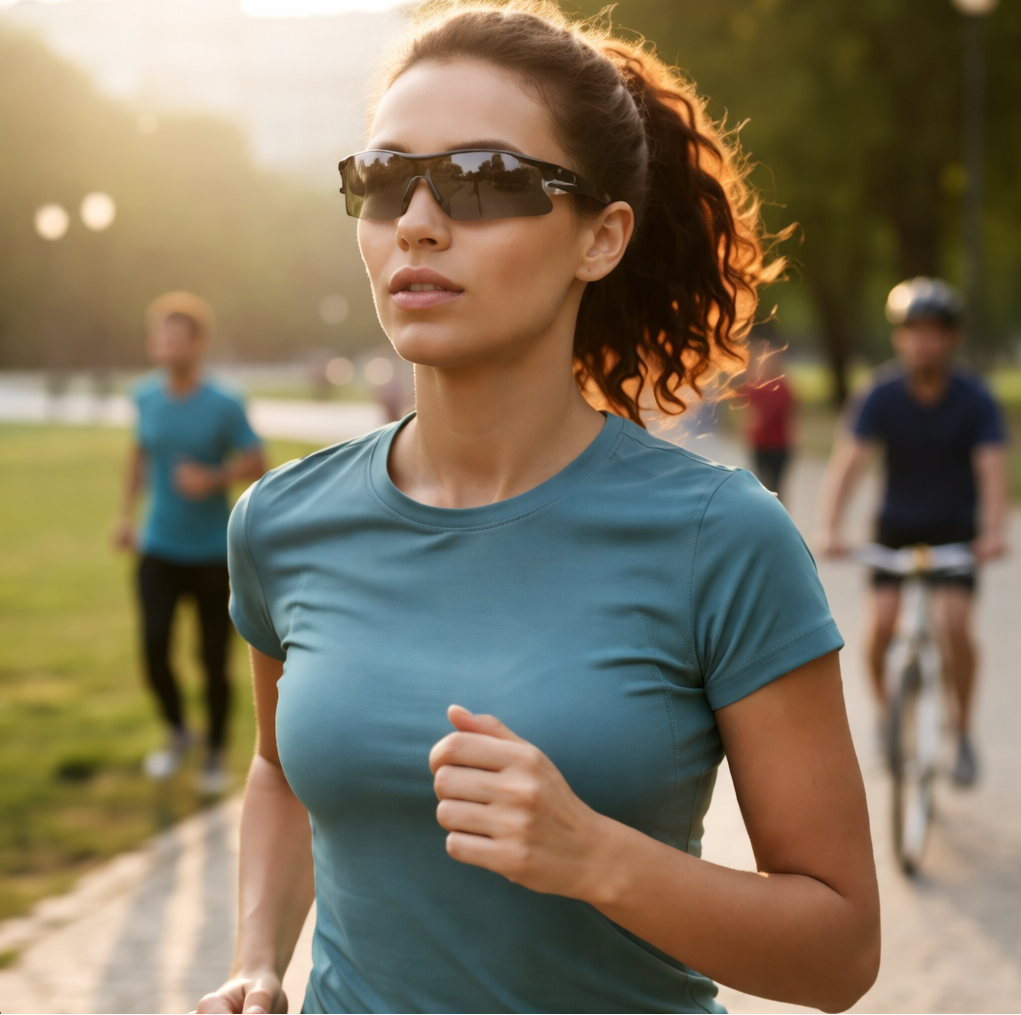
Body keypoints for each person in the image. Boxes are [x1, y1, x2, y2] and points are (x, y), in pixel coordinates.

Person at [200, 7, 879, 1013]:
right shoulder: (281, 522)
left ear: (599, 239)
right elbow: (282, 773)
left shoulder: (719, 537)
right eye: (384, 180)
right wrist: (258, 956)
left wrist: (596, 856)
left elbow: (840, 952)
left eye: (483, 179)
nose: (418, 220)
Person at [818, 277, 1008, 786]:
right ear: (900, 337)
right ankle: (889, 715)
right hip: (896, 527)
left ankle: (962, 731)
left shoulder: (975, 399)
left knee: (953, 625)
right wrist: (832, 527)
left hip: (956, 530)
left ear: (952, 338)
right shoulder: (879, 394)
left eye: (933, 331)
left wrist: (993, 532)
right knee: (881, 627)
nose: (922, 341)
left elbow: (992, 470)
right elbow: (850, 462)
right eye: (912, 331)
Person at [114, 292, 265, 795]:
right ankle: (180, 733)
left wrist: (213, 477)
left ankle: (217, 753)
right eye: (159, 335)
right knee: (154, 646)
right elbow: (138, 455)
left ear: (198, 343)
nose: (165, 345)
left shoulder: (224, 403)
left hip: (210, 555)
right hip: (158, 547)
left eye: (176, 336)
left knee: (212, 660)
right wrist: (124, 517)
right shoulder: (145, 397)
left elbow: (256, 460)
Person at [738, 335, 795, 501]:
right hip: (760, 443)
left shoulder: (782, 387)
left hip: (778, 444)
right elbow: (736, 398)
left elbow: (772, 416)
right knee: (761, 484)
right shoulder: (755, 386)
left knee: (776, 485)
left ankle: (778, 519)